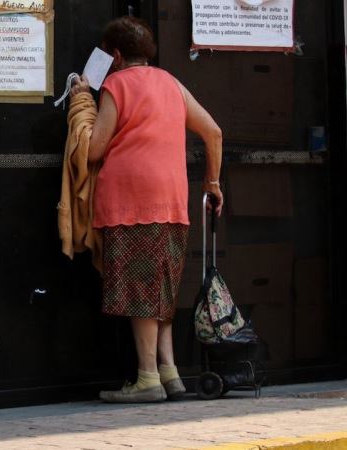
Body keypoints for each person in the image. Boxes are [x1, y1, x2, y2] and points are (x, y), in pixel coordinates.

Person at [70, 17, 223, 402]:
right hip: (172, 201)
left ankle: (146, 379)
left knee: (140, 291)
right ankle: (170, 373)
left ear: (116, 55)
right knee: (161, 290)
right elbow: (214, 132)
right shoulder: (171, 83)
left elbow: (96, 148)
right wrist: (212, 182)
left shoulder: (117, 85)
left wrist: (82, 100)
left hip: (130, 202)